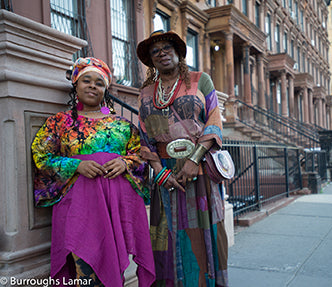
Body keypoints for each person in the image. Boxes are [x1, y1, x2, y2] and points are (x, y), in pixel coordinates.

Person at [31, 57, 155, 286]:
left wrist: (124, 163)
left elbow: (141, 157)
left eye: (99, 83)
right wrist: (76, 165)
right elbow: (41, 155)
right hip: (78, 208)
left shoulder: (123, 125)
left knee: (113, 264)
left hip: (115, 207)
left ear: (106, 89)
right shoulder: (59, 123)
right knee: (84, 269)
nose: (92, 86)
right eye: (86, 80)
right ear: (76, 85)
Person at [136, 30, 228, 286]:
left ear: (178, 52)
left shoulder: (202, 81)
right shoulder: (145, 93)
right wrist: (160, 172)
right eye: (155, 51)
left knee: (201, 231)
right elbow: (145, 138)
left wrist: (193, 160)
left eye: (167, 48)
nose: (162, 53)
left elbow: (214, 122)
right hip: (165, 174)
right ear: (151, 60)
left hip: (198, 169)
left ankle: (205, 282)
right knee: (168, 234)